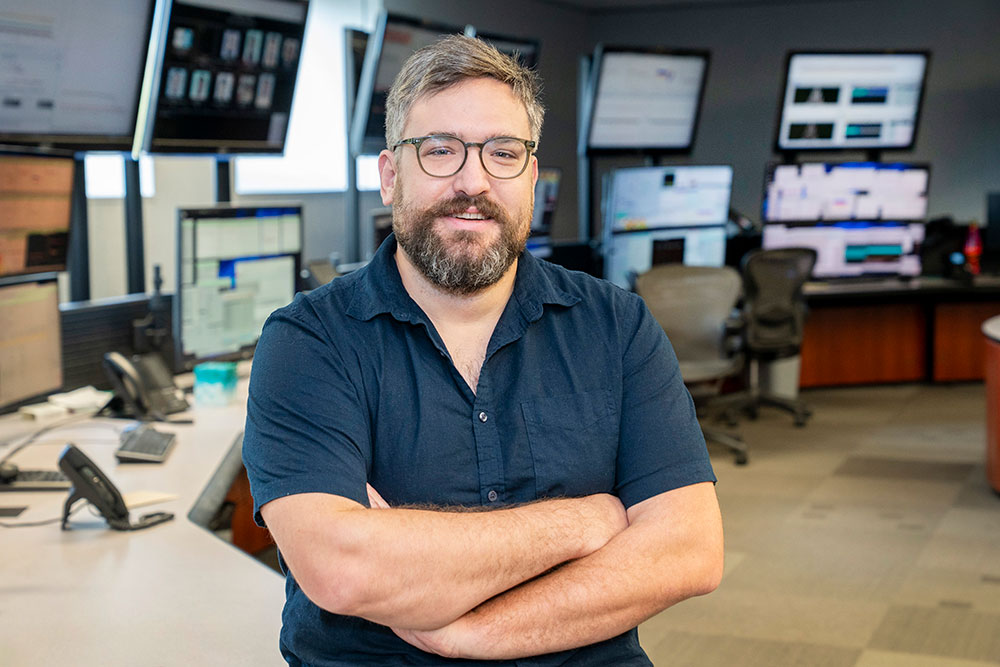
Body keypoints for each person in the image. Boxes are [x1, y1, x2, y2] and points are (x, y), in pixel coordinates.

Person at [243, 34, 723, 666]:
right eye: (440, 150)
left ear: (530, 177)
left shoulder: (616, 325)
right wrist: (585, 522)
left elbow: (689, 551)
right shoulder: (309, 343)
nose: (473, 181)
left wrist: (473, 634)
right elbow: (343, 571)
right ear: (391, 176)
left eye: (502, 152)